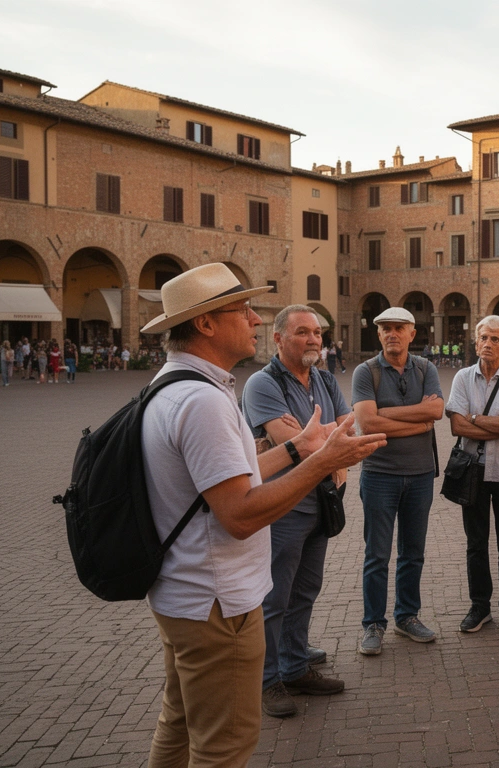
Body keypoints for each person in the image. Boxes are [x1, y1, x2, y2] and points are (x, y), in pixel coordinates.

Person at [137, 263, 384, 766]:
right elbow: (241, 514)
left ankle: (293, 666)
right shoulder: (203, 400)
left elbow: (231, 475)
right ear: (205, 324)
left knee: (180, 726)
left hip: (186, 594)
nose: (253, 318)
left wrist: (298, 448)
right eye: (242, 308)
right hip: (216, 602)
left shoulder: (179, 384)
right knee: (223, 746)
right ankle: (280, 674)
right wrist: (323, 461)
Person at [241, 304, 355, 719]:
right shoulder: (261, 384)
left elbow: (348, 431)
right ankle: (267, 680)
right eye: (303, 332)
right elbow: (301, 446)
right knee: (274, 595)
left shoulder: (324, 377)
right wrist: (320, 440)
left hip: (322, 498)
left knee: (305, 589)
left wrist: (314, 437)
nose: (313, 340)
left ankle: (293, 666)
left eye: (318, 333)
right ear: (278, 338)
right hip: (284, 504)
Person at [351, 307, 444, 656]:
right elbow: (367, 423)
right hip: (379, 475)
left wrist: (386, 415)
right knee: (376, 554)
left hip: (420, 475)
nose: (392, 334)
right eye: (385, 328)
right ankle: (373, 624)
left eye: (398, 328)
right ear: (378, 335)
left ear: (411, 334)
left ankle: (407, 617)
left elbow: (435, 411)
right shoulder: (366, 371)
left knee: (412, 553)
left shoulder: (426, 368)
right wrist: (417, 424)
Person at [445, 316, 499, 637]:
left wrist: (475, 418)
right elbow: (457, 426)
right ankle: (479, 606)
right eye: (483, 337)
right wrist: (498, 422)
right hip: (473, 471)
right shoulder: (462, 378)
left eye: (495, 339)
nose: (487, 344)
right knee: (475, 543)